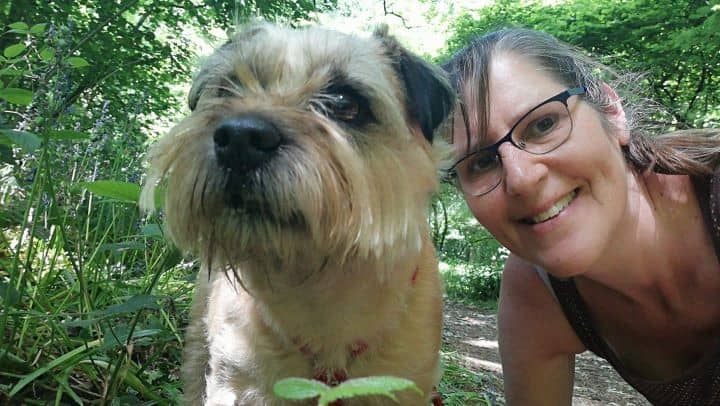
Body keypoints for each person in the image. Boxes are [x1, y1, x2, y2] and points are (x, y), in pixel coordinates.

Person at [441, 28, 720, 405]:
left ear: (611, 110)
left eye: (543, 125)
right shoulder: (537, 292)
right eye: (482, 162)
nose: (521, 179)